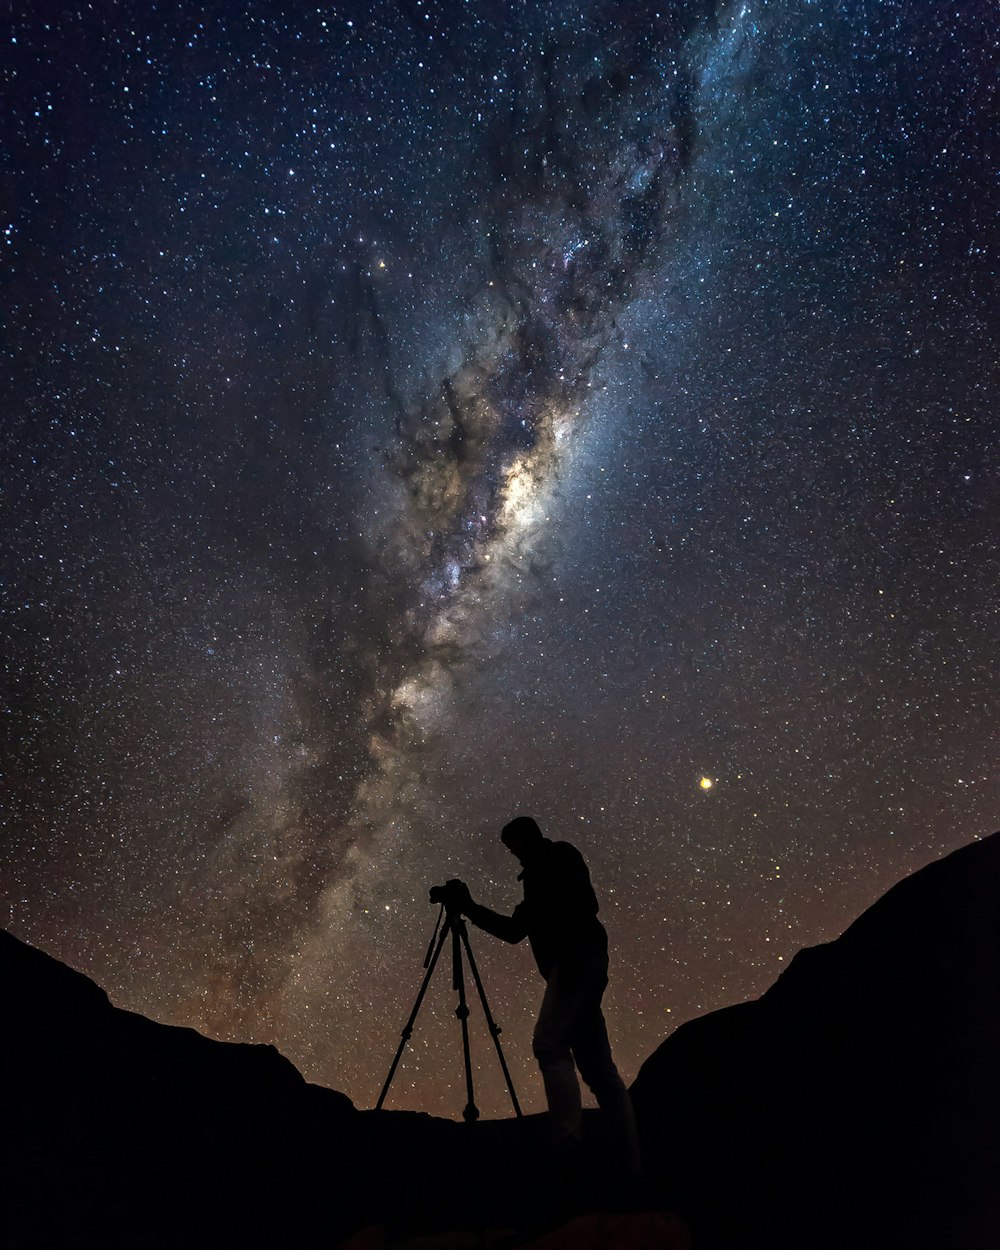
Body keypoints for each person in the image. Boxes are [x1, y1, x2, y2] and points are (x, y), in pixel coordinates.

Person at [452, 815, 640, 1176]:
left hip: (575, 961)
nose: (515, 856)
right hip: (580, 963)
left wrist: (478, 908)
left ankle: (567, 1151)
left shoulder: (555, 861)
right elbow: (514, 930)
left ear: (526, 839)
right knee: (599, 1070)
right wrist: (470, 908)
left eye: (515, 847)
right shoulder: (543, 874)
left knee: (550, 1044)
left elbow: (569, 911)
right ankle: (630, 1165)